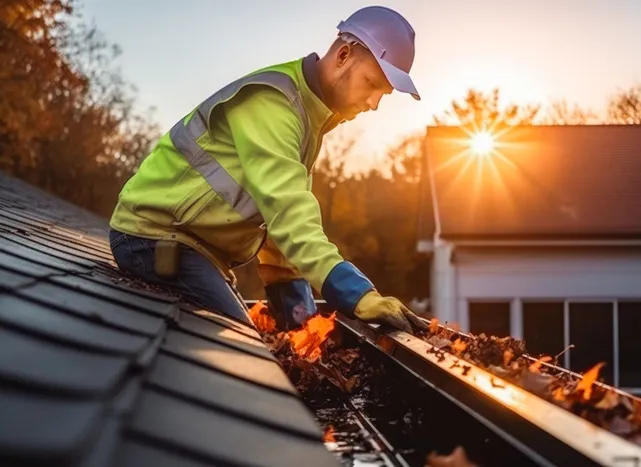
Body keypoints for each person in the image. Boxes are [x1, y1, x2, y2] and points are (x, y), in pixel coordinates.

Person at [108, 6, 427, 334]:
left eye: (383, 95)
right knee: (240, 343)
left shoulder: (307, 119)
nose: (373, 103)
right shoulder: (276, 104)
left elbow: (274, 222)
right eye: (371, 83)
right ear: (343, 55)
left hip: (192, 249)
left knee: (262, 345)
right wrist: (357, 294)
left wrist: (297, 318)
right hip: (150, 238)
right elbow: (289, 213)